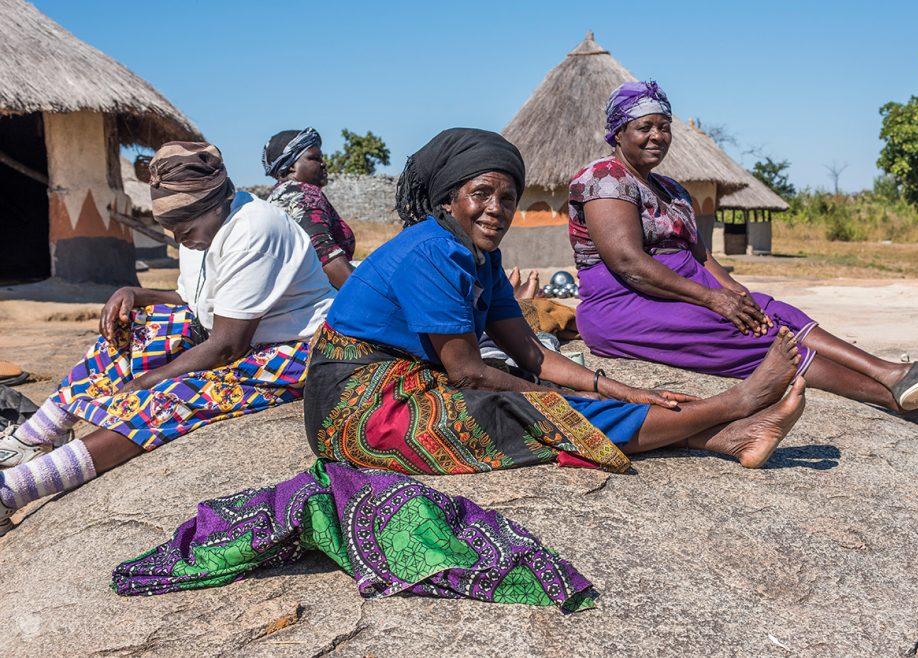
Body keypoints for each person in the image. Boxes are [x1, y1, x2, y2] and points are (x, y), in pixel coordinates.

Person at [303, 128, 807, 479]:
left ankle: (728, 437)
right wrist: (575, 397)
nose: (496, 210)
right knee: (525, 410)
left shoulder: (482, 258)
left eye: (507, 198)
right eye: (482, 194)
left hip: (407, 381)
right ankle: (735, 405)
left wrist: (623, 389)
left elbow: (533, 354)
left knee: (549, 394)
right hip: (357, 408)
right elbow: (469, 374)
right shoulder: (430, 252)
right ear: (449, 201)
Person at [570, 81, 918, 427]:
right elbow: (629, 264)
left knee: (773, 314)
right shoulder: (605, 178)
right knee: (761, 339)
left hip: (683, 289)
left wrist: (739, 295)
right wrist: (714, 299)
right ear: (619, 131)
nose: (657, 135)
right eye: (645, 127)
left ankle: (895, 374)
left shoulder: (673, 189)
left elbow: (703, 259)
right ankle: (897, 400)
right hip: (624, 304)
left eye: (664, 126)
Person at [0, 142, 335, 535]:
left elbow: (228, 345)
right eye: (171, 232)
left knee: (173, 397)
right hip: (235, 334)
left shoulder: (255, 228)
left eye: (185, 230)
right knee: (126, 333)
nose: (179, 240)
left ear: (216, 204)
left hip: (297, 347)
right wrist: (136, 295)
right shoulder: (200, 229)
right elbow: (200, 302)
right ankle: (33, 439)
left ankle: (12, 491)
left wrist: (147, 381)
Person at [263, 128, 356, 288]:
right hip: (315, 304)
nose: (323, 164)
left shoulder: (278, 195)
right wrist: (370, 297)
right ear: (291, 165)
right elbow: (325, 255)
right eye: (315, 158)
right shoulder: (302, 193)